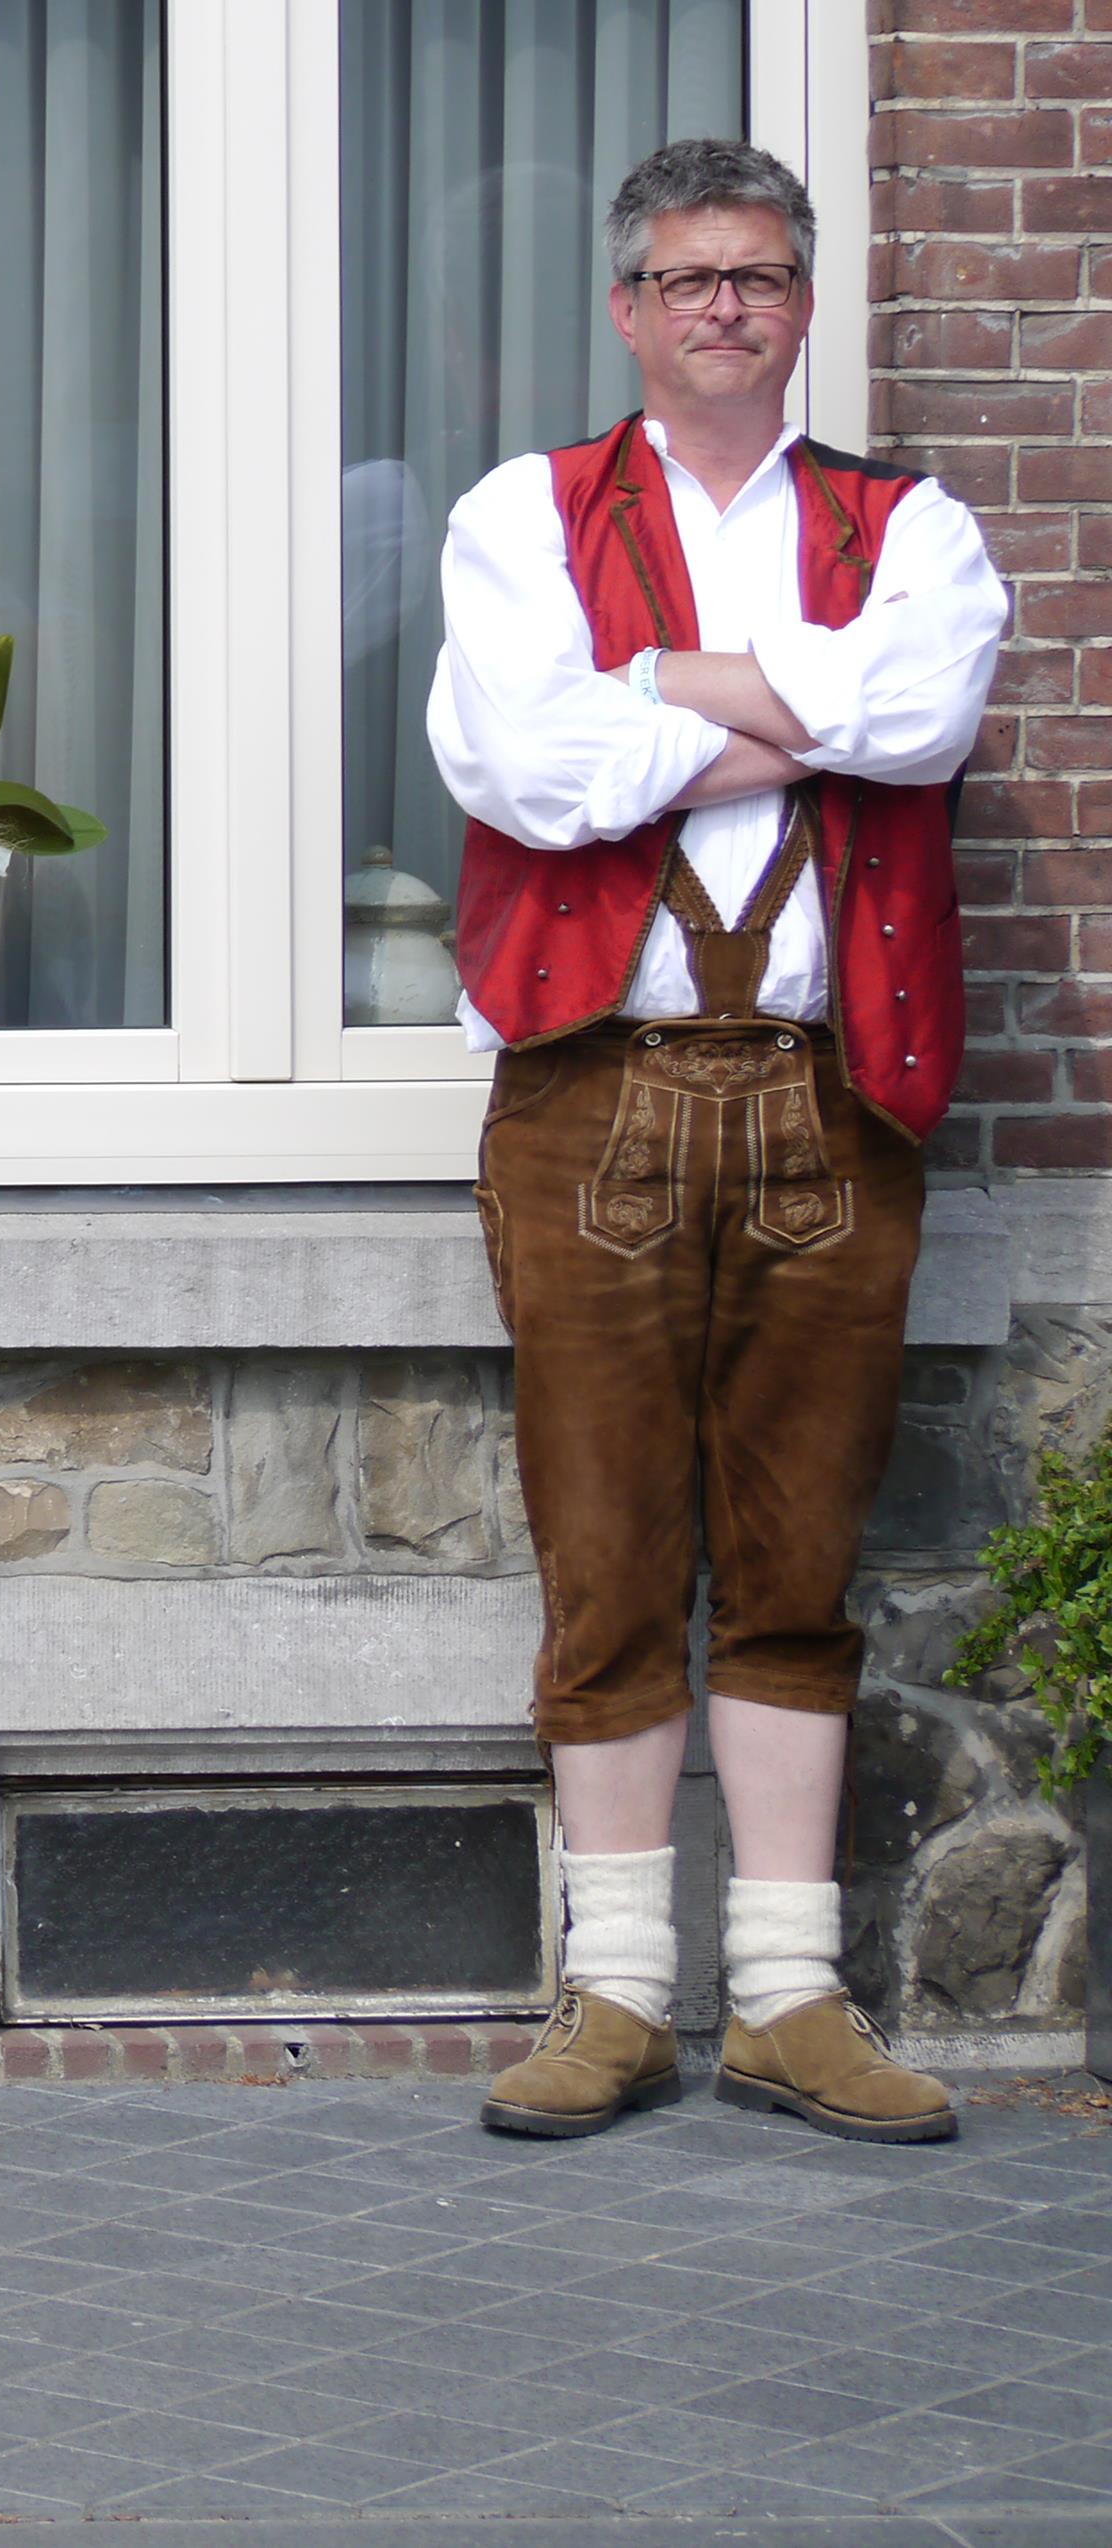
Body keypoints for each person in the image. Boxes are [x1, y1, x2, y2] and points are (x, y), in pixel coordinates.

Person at [433, 136, 1008, 2145]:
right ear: (627, 308)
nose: (723, 308)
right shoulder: (520, 511)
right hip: (591, 1081)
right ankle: (613, 1991)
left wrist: (653, 690)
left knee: (794, 1552)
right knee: (604, 1551)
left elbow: (923, 720)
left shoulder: (908, 523)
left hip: (830, 1090)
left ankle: (784, 1992)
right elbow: (524, 761)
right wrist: (798, 712)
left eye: (756, 276)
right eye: (687, 278)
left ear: (802, 303)